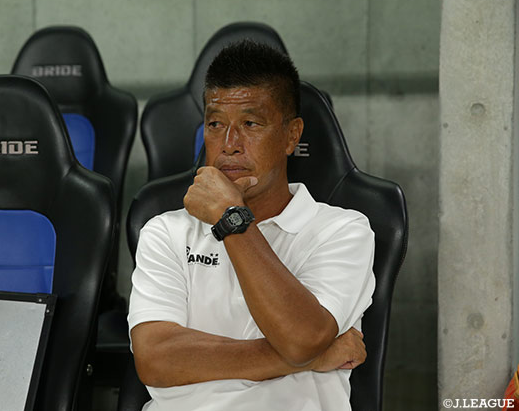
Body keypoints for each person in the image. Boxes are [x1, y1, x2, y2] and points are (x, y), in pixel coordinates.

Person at [128, 40, 376, 411]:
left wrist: (231, 218)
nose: (229, 144)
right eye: (215, 124)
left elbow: (300, 339)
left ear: (291, 136)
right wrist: (308, 359)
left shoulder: (342, 231)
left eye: (250, 123)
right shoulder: (165, 232)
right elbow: (156, 360)